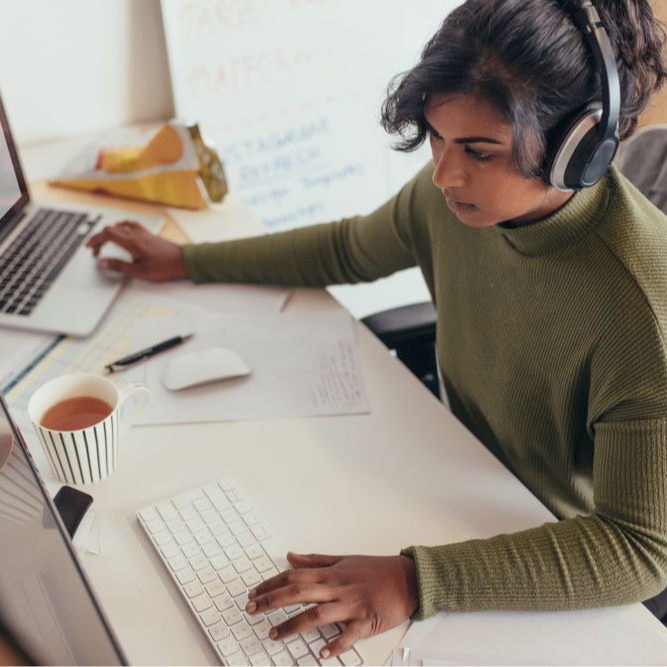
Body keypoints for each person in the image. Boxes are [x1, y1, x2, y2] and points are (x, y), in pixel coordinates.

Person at [87, 0, 667, 659]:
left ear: (579, 149)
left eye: (479, 151)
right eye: (437, 138)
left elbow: (637, 547)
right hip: (450, 468)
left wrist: (416, 578)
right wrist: (187, 260)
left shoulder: (640, 310)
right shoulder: (453, 198)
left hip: (541, 540)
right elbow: (346, 249)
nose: (444, 175)